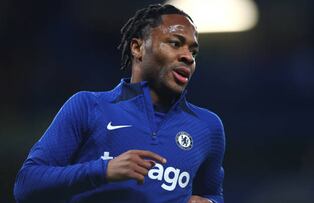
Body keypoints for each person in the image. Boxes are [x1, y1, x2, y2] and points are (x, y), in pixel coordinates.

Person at [14, 4, 225, 203]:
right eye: (175, 43)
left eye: (193, 51)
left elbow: (212, 193)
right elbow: (26, 185)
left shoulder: (208, 127)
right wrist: (104, 170)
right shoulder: (88, 107)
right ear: (137, 47)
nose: (188, 57)